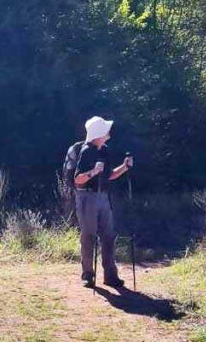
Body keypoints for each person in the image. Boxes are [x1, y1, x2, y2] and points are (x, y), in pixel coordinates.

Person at [73, 116, 132, 288]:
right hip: (87, 197)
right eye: (105, 130)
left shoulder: (104, 150)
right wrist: (93, 172)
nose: (108, 132)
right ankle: (88, 275)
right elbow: (78, 180)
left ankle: (110, 275)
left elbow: (109, 175)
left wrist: (124, 167)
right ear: (98, 133)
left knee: (109, 235)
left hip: (103, 197)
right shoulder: (86, 152)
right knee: (89, 235)